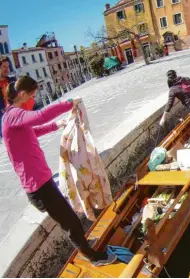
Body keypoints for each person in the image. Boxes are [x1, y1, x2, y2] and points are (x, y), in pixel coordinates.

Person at [1, 76, 116, 266]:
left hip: (42, 182)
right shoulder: (13, 115)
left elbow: (33, 131)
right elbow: (39, 116)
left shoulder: (14, 118)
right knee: (71, 223)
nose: (33, 101)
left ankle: (85, 246)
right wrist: (68, 104)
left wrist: (57, 125)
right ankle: (93, 258)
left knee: (69, 218)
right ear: (22, 95)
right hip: (38, 187)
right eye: (33, 96)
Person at [159, 70, 190, 136]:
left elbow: (170, 103)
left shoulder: (173, 89)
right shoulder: (186, 79)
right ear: (176, 75)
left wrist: (163, 118)